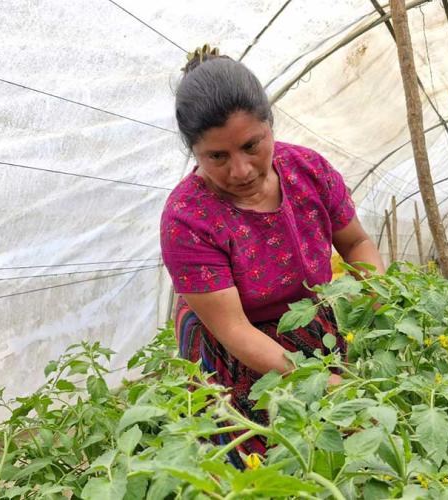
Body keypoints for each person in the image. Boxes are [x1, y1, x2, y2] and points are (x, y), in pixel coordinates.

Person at [159, 45, 384, 468]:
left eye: (251, 145)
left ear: (269, 126)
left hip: (307, 318)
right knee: (262, 463)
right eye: (217, 157)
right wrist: (316, 381)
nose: (241, 170)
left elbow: (357, 244)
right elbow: (234, 330)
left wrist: (374, 301)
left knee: (341, 449)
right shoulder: (187, 218)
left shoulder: (308, 171)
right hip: (234, 346)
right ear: (194, 151)